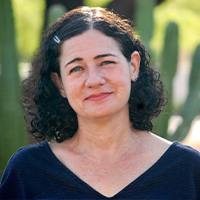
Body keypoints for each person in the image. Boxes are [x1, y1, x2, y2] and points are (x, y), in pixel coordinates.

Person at [0, 6, 200, 199]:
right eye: (76, 68)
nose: (94, 80)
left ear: (133, 66)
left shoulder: (187, 169)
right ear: (60, 83)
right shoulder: (27, 170)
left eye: (106, 62)